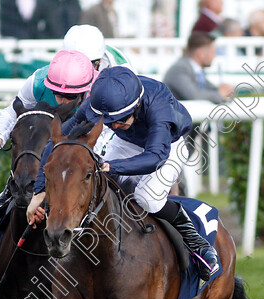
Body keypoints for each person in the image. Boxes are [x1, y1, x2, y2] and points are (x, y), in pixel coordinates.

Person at [28, 67, 219, 281]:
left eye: (120, 119)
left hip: (167, 147)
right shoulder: (98, 103)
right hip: (126, 142)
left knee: (148, 198)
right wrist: (39, 191)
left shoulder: (159, 107)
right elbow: (56, 144)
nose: (116, 125)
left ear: (137, 105)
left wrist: (113, 166)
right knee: (98, 187)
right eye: (110, 121)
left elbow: (155, 157)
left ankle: (198, 245)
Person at [0, 24, 134, 226]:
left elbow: (110, 134)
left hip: (114, 126)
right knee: (33, 132)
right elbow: (12, 110)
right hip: (74, 118)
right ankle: (13, 187)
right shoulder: (42, 78)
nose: (62, 99)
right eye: (58, 94)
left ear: (96, 65)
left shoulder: (113, 85)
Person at [164, 31, 233, 104]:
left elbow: (210, 90)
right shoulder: (179, 69)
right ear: (201, 53)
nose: (214, 56)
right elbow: (194, 95)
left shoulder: (196, 70)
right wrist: (220, 94)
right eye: (212, 52)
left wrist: (225, 90)